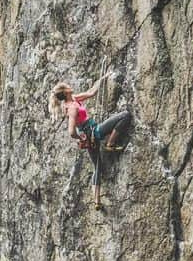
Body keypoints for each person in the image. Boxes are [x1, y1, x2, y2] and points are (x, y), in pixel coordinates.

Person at [48, 74, 132, 210]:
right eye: (68, 86)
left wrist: (103, 77)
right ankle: (110, 143)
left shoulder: (72, 101)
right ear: (65, 91)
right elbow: (71, 131)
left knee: (98, 166)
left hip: (89, 135)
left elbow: (91, 92)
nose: (70, 86)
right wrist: (80, 137)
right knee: (125, 116)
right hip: (94, 132)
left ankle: (97, 201)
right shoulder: (72, 108)